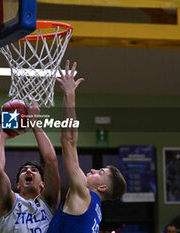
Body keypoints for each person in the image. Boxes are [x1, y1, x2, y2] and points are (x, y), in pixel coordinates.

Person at [46, 60, 127, 233]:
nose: (92, 170)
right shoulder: (97, 212)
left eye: (100, 172)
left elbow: (68, 141)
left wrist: (69, 94)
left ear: (102, 188)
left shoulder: (84, 195)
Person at [0, 101, 60, 233]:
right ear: (18, 185)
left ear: (42, 184)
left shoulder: (49, 203)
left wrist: (35, 124)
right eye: (24, 171)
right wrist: (1, 136)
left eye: (34, 170)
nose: (28, 170)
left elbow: (51, 160)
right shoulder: (9, 203)